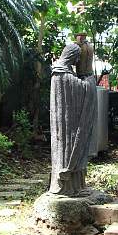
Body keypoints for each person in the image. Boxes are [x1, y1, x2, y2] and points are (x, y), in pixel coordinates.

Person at [48, 43, 97, 196]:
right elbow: (80, 89)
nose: (77, 62)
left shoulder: (63, 71)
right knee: (68, 151)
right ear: (71, 56)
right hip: (67, 126)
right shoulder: (61, 74)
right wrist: (89, 82)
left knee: (77, 150)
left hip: (70, 123)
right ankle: (68, 188)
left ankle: (78, 186)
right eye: (76, 58)